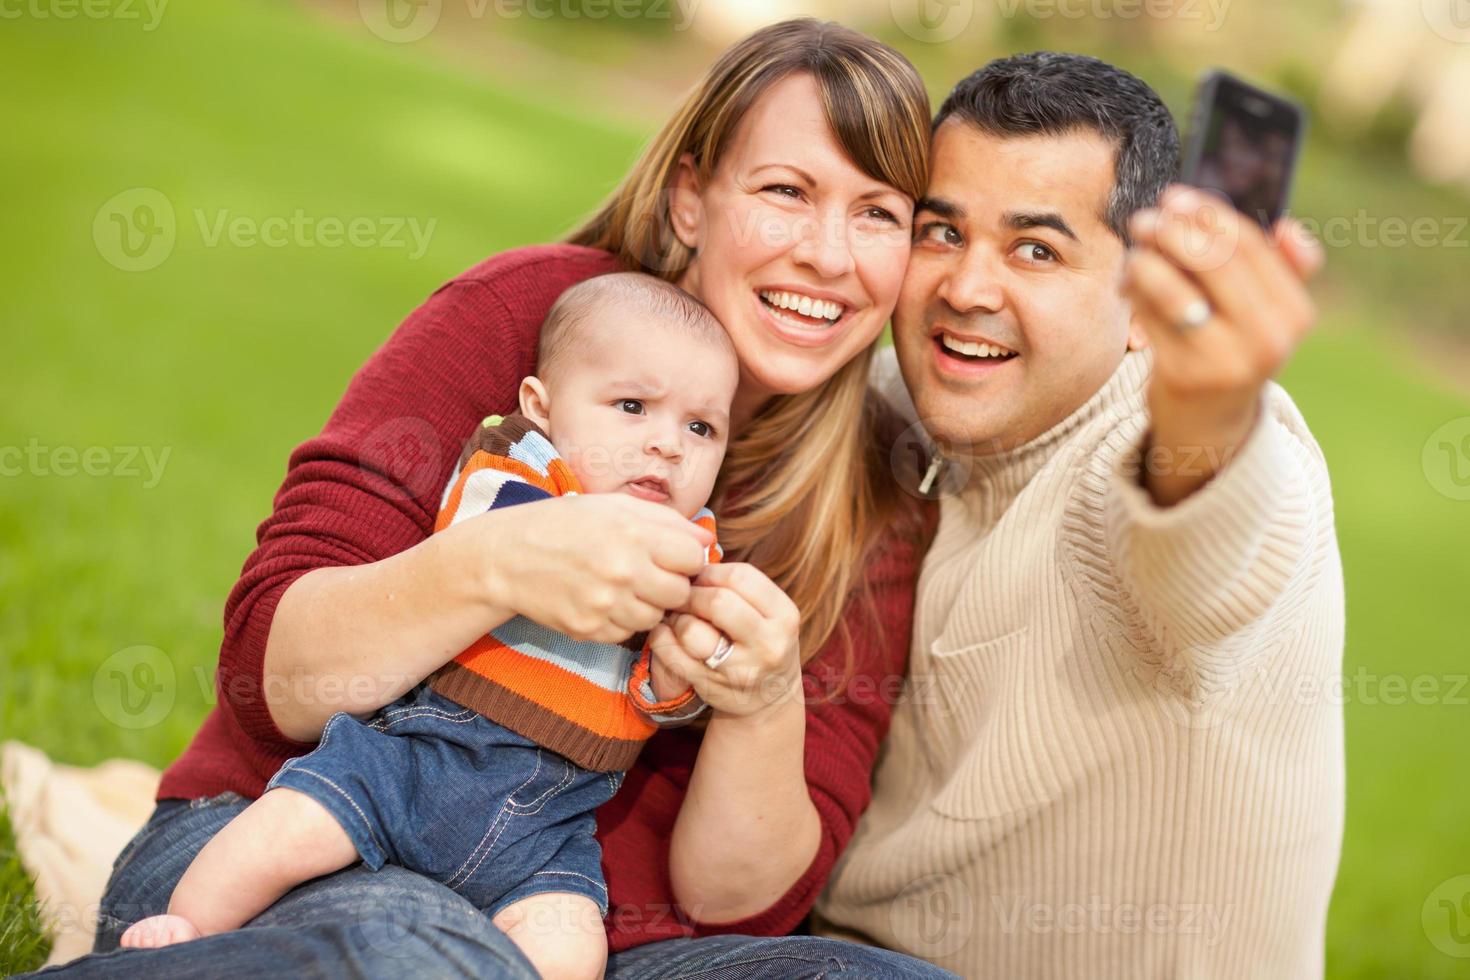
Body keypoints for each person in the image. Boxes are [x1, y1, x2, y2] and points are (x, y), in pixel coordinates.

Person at [24, 19, 956, 980]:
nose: (830, 255)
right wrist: (497, 563)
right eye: (785, 192)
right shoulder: (527, 319)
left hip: (579, 930)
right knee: (422, 955)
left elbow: (735, 905)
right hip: (302, 842)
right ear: (689, 199)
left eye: (878, 213)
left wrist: (762, 703)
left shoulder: (875, 490)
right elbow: (275, 684)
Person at [810, 53, 1343, 979]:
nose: (968, 289)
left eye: (1037, 250)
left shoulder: (1156, 453)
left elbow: (1209, 528)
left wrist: (1211, 400)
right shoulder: (922, 396)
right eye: (942, 232)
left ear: (1140, 302)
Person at [118, 273, 738, 980]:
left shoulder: (694, 552)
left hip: (548, 824)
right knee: (290, 827)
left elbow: (657, 695)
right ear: (542, 407)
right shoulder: (520, 473)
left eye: (701, 427)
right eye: (633, 407)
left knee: (573, 948)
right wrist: (566, 535)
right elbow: (480, 536)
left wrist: (684, 671)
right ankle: (188, 925)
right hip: (418, 760)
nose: (668, 446)